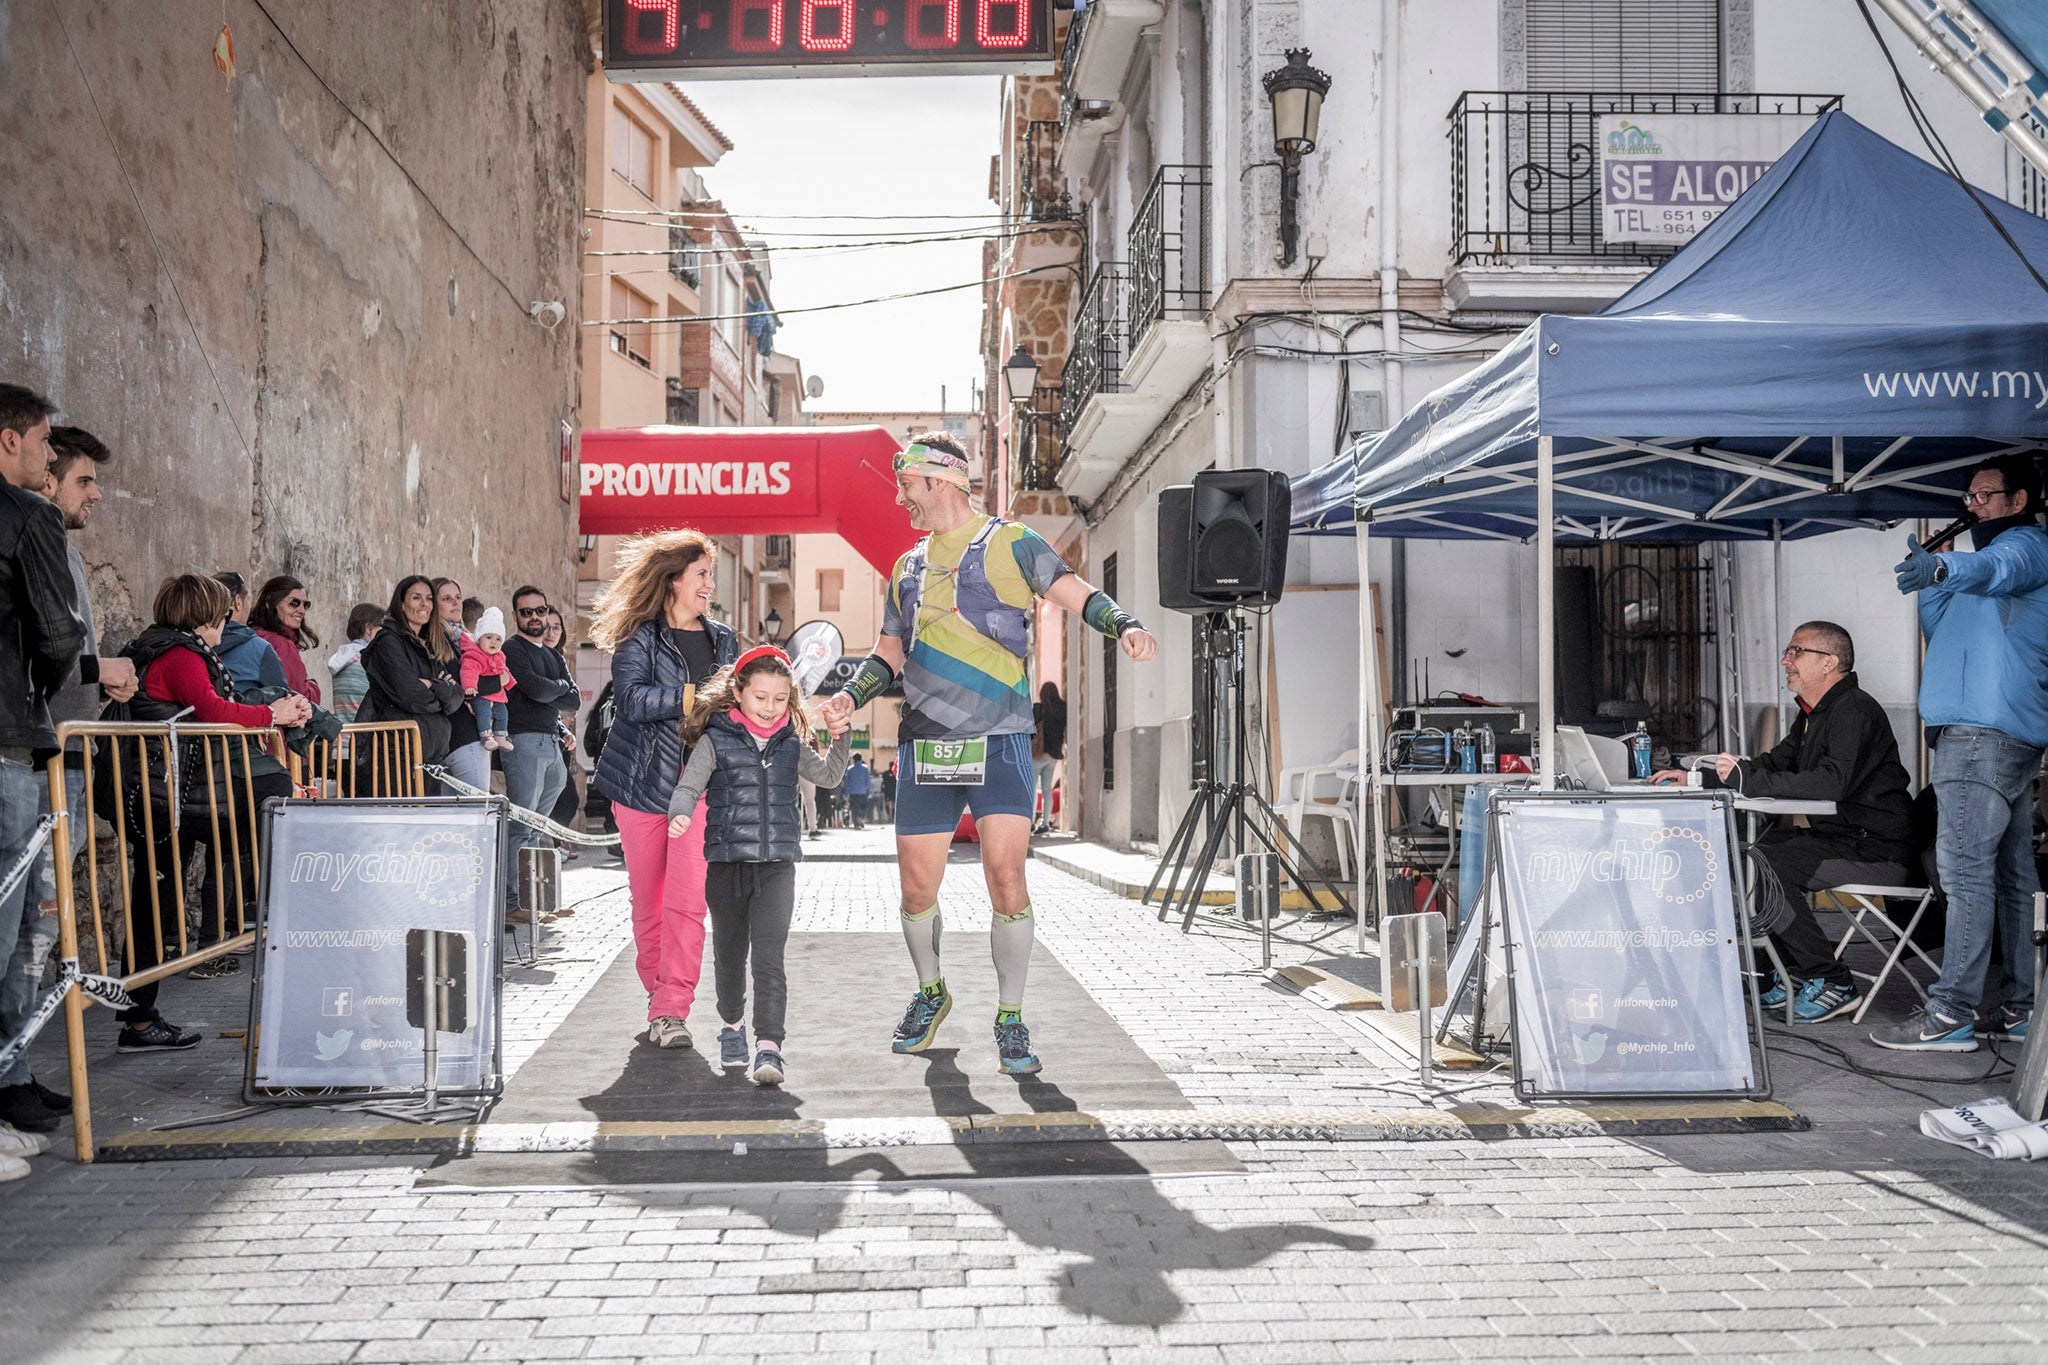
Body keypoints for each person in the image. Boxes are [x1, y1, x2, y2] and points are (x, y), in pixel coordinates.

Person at [821, 432, 1157, 1075]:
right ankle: (931, 991)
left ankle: (1010, 1016)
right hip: (925, 744)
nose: (901, 500)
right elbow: (891, 650)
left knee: (1007, 880)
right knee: (917, 887)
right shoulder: (908, 566)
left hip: (1000, 740)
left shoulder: (1012, 543)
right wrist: (849, 697)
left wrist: (1127, 625)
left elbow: (1075, 592)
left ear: (941, 480)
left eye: (908, 487)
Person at [1651, 621, 1916, 1023]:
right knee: (1749, 855)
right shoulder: (1813, 714)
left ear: (1829, 662)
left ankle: (1832, 981)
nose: (1785, 661)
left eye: (1796, 652)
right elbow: (1772, 765)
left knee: (1767, 865)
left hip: (1877, 849)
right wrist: (1694, 777)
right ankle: (1789, 969)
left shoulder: (1854, 711)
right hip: (1841, 837)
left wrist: (1749, 779)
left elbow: (1833, 781)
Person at [1882, 454, 2048, 1050]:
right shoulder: (1982, 570)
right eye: (1969, 497)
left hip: (1981, 736)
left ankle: (1950, 1012)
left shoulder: (2027, 548)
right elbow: (1946, 636)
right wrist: (1934, 582)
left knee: (1965, 875)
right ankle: (2022, 1008)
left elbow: (1998, 568)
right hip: (1989, 733)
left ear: (2019, 500)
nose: (1971, 506)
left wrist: (1946, 566)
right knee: (2010, 875)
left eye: (1983, 496)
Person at [0, 427, 140, 1132]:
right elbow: (48, 649)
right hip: (34, 753)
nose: (97, 493)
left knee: (37, 927)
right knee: (15, 925)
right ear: (46, 476)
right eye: (84, 479)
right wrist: (93, 670)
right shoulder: (30, 531)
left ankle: (15, 1067)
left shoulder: (61, 547)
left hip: (62, 756)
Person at [117, 575, 308, 1043]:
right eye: (225, 612)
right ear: (207, 615)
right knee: (154, 903)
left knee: (155, 901)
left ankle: (140, 1018)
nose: (229, 620)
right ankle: (139, 1018)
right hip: (168, 796)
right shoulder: (180, 654)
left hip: (172, 793)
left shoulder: (165, 647)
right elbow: (212, 709)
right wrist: (273, 715)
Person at [666, 646, 851, 1080]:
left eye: (780, 698)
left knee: (769, 959)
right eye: (760, 697)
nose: (770, 708)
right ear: (739, 692)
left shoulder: (791, 744)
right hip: (727, 866)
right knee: (730, 958)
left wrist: (839, 736)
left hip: (777, 867)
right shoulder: (715, 739)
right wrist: (680, 812)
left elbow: (828, 776)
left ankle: (769, 1047)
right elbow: (689, 786)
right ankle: (732, 1026)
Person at [590, 532, 737, 1050]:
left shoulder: (724, 639)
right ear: (673, 579)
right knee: (648, 904)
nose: (709, 584)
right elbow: (631, 701)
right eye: (701, 574)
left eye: (710, 574)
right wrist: (697, 694)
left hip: (698, 788)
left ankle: (672, 1007)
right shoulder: (639, 638)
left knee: (686, 902)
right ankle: (659, 996)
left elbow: (734, 714)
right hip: (639, 786)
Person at [0, 386, 86, 1151]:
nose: (48, 455)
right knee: (16, 925)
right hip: (8, 742)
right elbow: (59, 634)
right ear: (8, 441)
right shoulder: (29, 516)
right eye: (43, 440)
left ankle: (12, 1074)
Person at [502, 586, 580, 913]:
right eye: (526, 612)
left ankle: (531, 899)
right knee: (521, 824)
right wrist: (558, 690)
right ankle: (511, 901)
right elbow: (533, 688)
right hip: (523, 740)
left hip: (551, 741)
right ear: (516, 615)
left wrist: (556, 690)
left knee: (537, 827)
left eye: (540, 610)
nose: (535, 617)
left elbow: (574, 699)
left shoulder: (553, 655)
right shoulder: (512, 648)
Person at [355, 576, 465, 769]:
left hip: (430, 758)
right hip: (395, 758)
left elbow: (456, 697)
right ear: (402, 605)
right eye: (416, 598)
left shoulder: (429, 644)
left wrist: (431, 684)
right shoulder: (388, 642)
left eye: (429, 598)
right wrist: (440, 691)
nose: (424, 604)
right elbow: (410, 696)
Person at [431, 578, 488, 800]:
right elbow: (459, 683)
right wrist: (496, 681)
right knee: (474, 814)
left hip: (461, 736)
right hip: (462, 736)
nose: (455, 604)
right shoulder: (436, 642)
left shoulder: (466, 641)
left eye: (458, 598)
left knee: (454, 822)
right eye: (446, 599)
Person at [210, 571, 288, 693]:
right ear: (238, 602)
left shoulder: (192, 640)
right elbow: (284, 697)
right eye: (248, 600)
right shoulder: (259, 649)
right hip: (240, 711)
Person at [249, 575, 322, 704]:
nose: (302, 610)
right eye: (294, 603)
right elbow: (302, 699)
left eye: (306, 605)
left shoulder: (250, 635)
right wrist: (313, 686)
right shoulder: (281, 644)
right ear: (270, 603)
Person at [460, 607, 515, 751]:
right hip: (481, 694)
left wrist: (510, 682)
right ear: (479, 639)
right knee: (484, 711)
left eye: (498, 639)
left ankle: (500, 736)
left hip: (496, 695)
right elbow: (468, 670)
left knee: (503, 713)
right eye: (488, 637)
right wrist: (469, 686)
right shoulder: (474, 655)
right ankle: (485, 735)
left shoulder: (499, 656)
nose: (493, 642)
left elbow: (505, 670)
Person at [326, 603, 384, 722]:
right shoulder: (369, 658)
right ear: (369, 629)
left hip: (343, 734)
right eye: (383, 628)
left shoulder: (342, 655)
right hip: (366, 735)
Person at [1033, 682, 1067, 834]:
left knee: (1032, 789)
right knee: (1047, 790)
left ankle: (1030, 821)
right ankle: (1045, 823)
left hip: (1037, 754)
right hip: (1053, 755)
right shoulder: (1063, 709)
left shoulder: (1038, 709)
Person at [843, 753, 873, 828]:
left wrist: (846, 793)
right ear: (861, 759)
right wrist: (869, 791)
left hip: (853, 793)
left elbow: (847, 782)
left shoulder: (850, 769)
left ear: (853, 759)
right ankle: (861, 817)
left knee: (854, 809)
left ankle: (856, 825)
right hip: (863, 792)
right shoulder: (865, 768)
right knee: (865, 806)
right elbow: (868, 780)